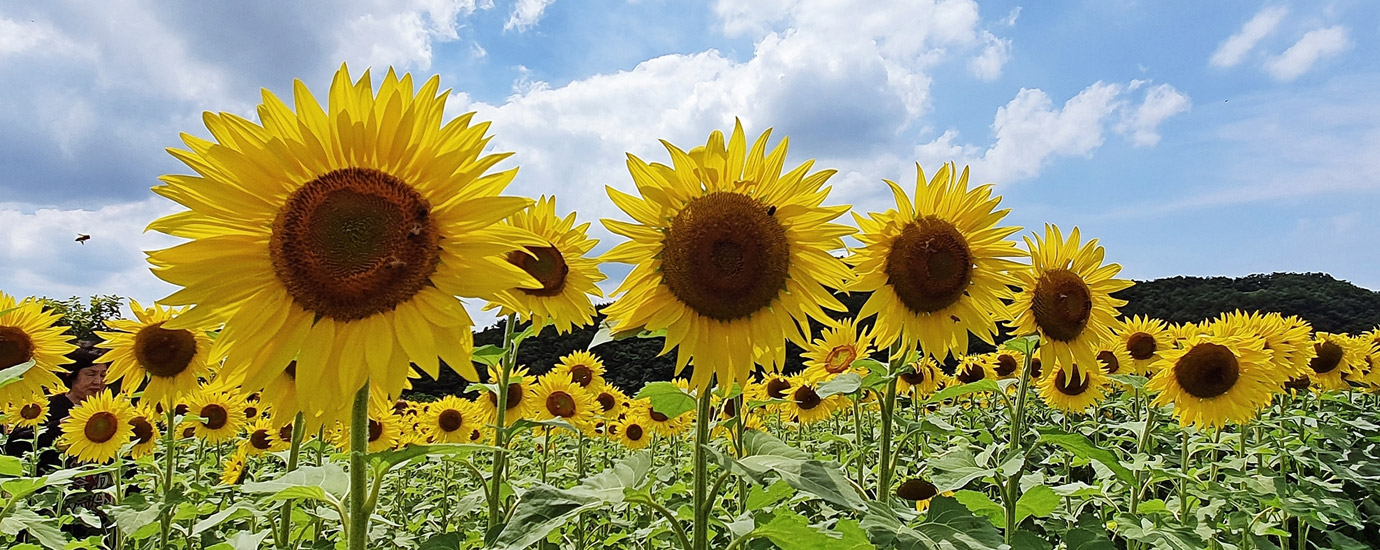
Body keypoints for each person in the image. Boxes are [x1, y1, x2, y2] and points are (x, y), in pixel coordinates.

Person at [4, 343, 109, 470]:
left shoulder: (110, 410)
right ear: (71, 374)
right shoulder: (44, 407)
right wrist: (58, 426)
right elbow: (14, 445)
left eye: (103, 375)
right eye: (90, 374)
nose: (98, 382)